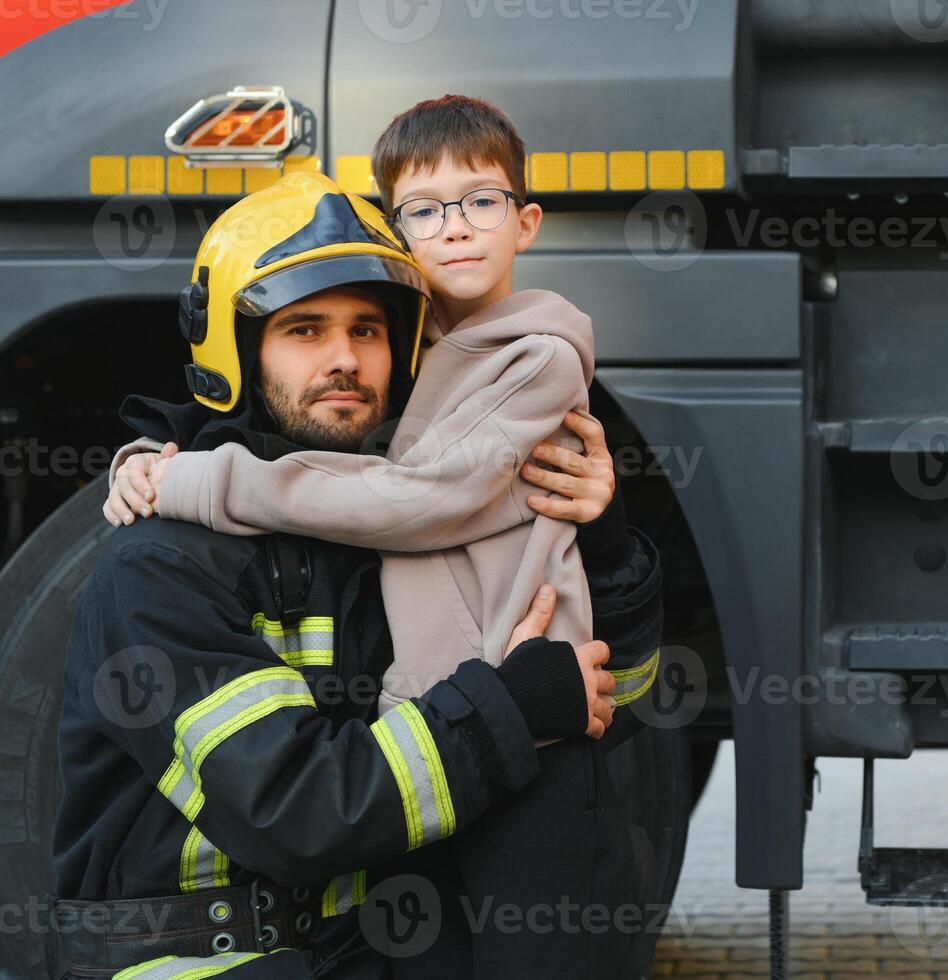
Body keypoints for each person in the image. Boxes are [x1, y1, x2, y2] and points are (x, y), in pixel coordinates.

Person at [53, 162, 661, 978]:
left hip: (347, 949)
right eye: (304, 330)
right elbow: (296, 811)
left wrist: (603, 547)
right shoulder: (162, 564)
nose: (343, 358)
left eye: (366, 331)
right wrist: (506, 708)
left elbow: (597, 712)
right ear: (235, 350)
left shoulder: (392, 528)